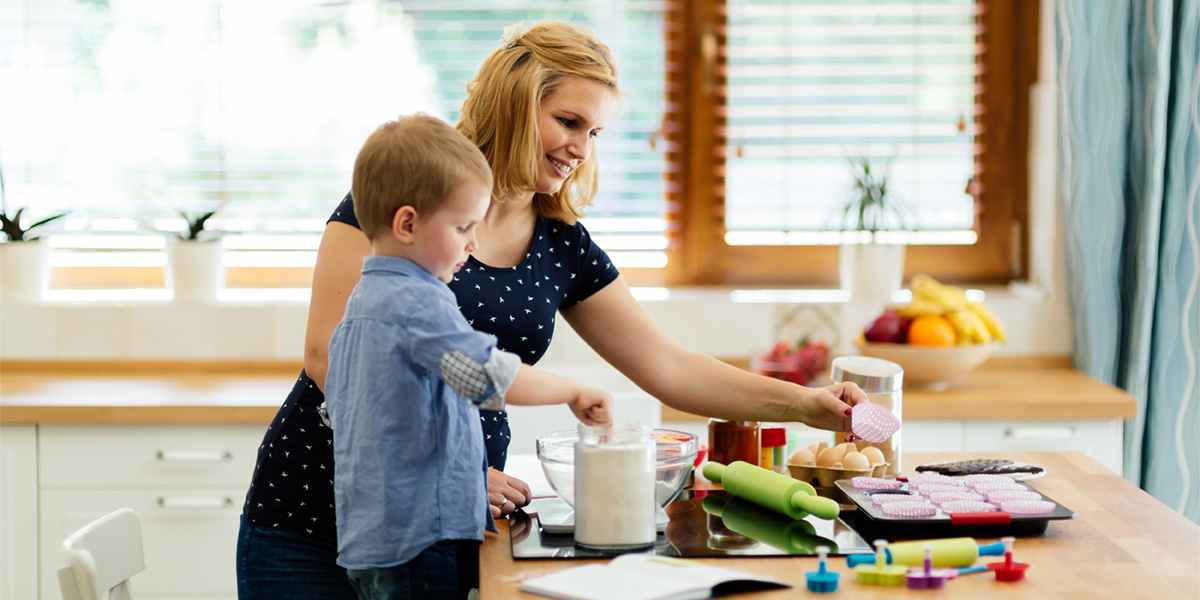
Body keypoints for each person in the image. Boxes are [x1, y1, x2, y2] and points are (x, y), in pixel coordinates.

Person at [237, 21, 868, 600]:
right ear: (514, 102)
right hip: (311, 516)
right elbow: (330, 355)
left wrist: (803, 402)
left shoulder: (560, 242)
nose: (581, 149)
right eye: (568, 121)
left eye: (593, 132)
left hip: (453, 526)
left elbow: (669, 366)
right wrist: (446, 473)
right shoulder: (408, 196)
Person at [325, 115, 611, 599]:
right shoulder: (421, 302)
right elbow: (490, 377)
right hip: (421, 540)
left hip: (369, 539)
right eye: (462, 228)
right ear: (408, 224)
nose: (473, 244)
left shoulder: (362, 303)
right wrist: (575, 390)